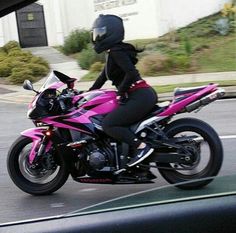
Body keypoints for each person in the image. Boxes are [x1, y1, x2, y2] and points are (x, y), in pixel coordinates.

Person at [89, 14, 158, 167]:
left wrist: (120, 92)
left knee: (108, 124)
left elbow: (131, 73)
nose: (97, 36)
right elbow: (103, 77)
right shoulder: (113, 52)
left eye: (100, 32)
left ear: (110, 33)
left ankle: (141, 147)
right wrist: (85, 95)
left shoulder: (116, 51)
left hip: (139, 96)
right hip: (140, 95)